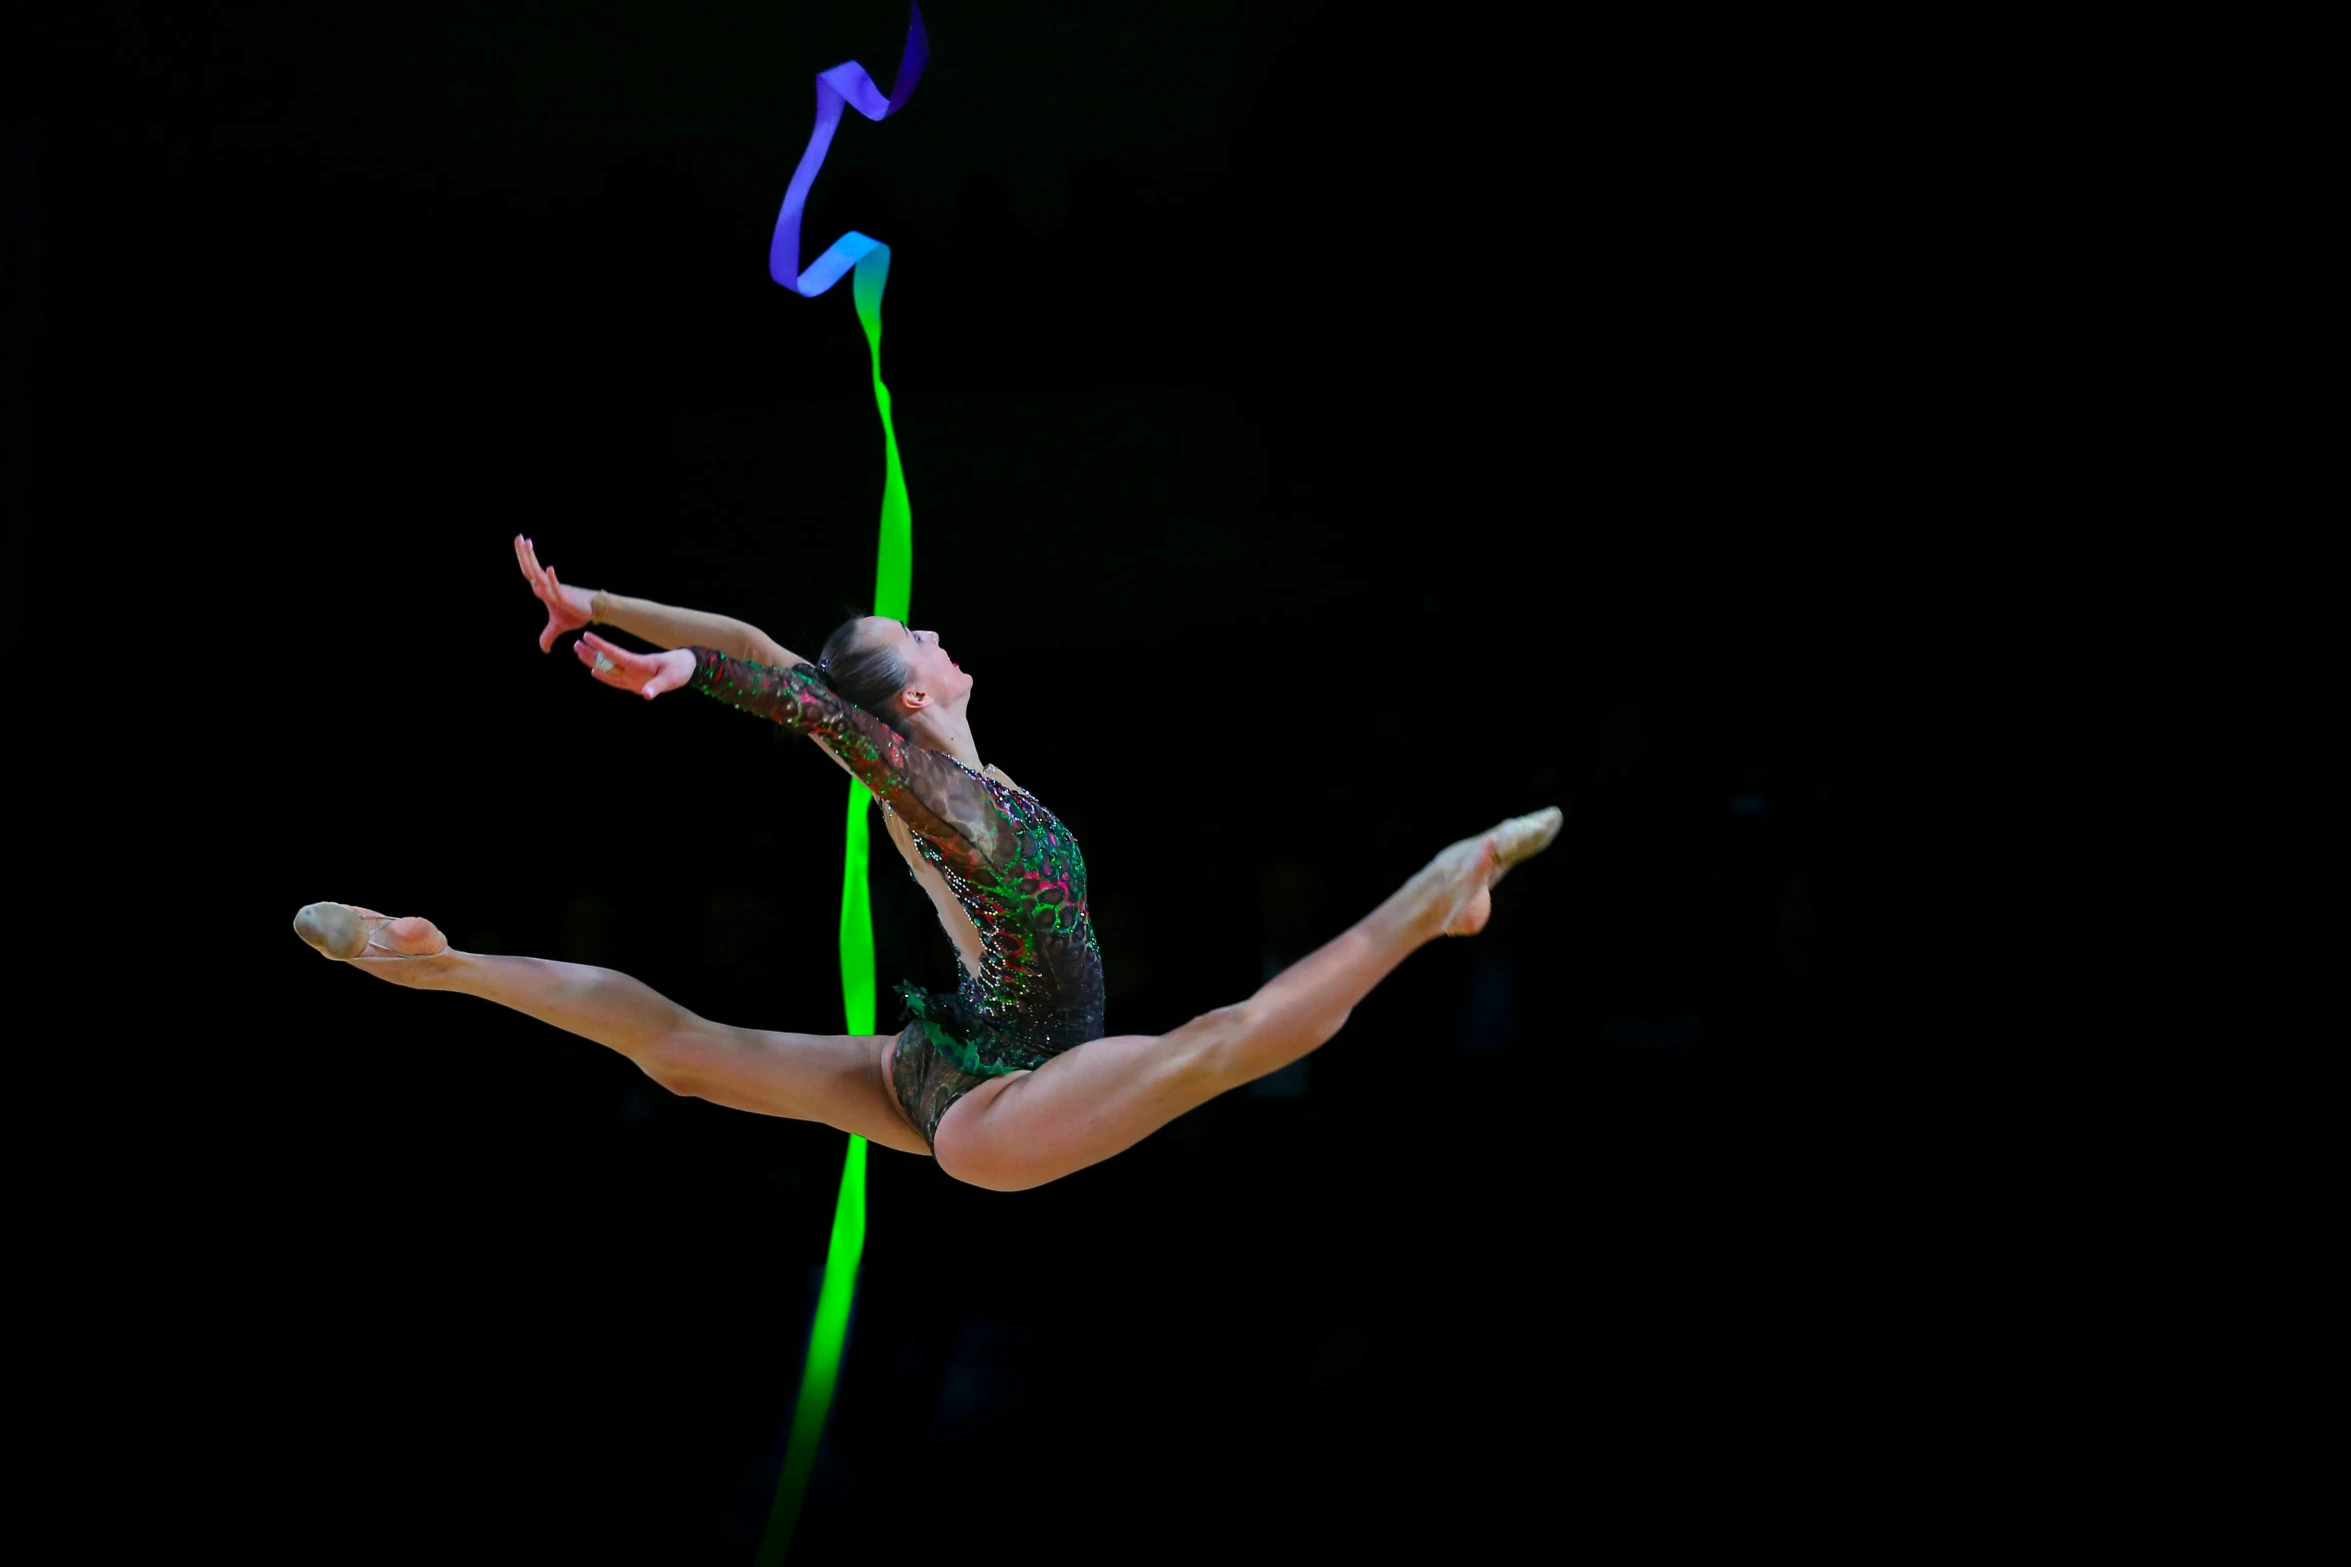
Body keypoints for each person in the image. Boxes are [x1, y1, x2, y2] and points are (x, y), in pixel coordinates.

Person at [291, 536, 1562, 1192]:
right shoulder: (936, 794)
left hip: (947, 1062)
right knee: (1221, 1043)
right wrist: (697, 679)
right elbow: (801, 698)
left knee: (680, 1055)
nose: (939, 633)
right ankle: (1433, 894)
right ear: (906, 705)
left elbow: (761, 647)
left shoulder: (949, 768)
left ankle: (436, 966)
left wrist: (601, 605)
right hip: (1006, 1108)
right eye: (919, 639)